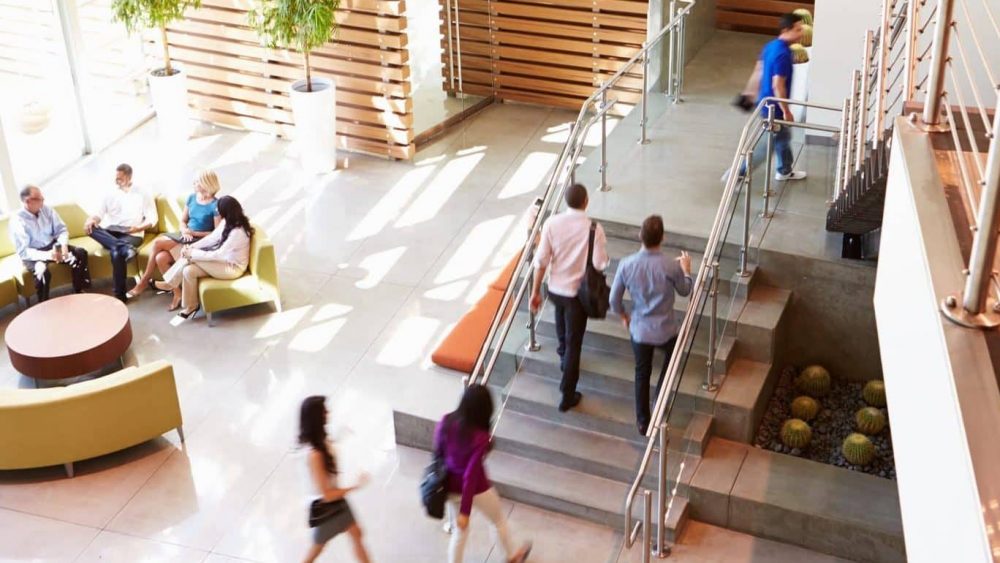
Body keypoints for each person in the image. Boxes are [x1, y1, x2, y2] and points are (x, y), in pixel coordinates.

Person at [609, 215, 693, 435]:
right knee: (671, 360)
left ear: (640, 236)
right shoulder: (670, 266)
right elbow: (685, 291)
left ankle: (643, 422)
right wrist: (686, 270)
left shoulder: (626, 265)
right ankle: (660, 398)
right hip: (666, 330)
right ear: (662, 238)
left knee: (641, 373)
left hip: (640, 330)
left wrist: (623, 316)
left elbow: (613, 300)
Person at [529, 184, 609, 412]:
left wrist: (535, 291)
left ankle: (563, 354)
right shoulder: (595, 228)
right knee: (575, 341)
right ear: (586, 202)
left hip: (556, 289)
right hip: (578, 294)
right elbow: (600, 264)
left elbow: (541, 261)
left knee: (561, 320)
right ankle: (567, 393)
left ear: (566, 201)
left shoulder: (551, 224)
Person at [434, 385, 531, 563]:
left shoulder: (445, 421)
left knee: (459, 531)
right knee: (498, 520)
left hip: (449, 486)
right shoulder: (480, 438)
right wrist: (465, 510)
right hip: (477, 489)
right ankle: (510, 558)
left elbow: (438, 454)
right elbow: (470, 475)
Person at [724, 13, 807, 183]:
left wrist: (749, 93)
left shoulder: (771, 46)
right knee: (766, 144)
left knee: (783, 137)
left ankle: (784, 170)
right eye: (798, 30)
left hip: (764, 102)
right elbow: (778, 85)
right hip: (774, 108)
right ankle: (738, 174)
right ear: (786, 30)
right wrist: (786, 111)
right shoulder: (783, 54)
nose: (801, 34)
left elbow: (758, 70)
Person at [127, 170, 221, 303]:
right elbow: (182, 221)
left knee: (157, 244)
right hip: (184, 235)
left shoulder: (215, 205)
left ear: (206, 183)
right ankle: (177, 293)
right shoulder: (192, 198)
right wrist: (184, 230)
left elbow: (216, 234)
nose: (194, 183)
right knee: (161, 258)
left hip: (199, 240)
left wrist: (193, 233)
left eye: (197, 181)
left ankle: (143, 282)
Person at [298, 396, 371, 563]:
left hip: (336, 504)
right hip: (326, 509)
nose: (328, 412)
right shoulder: (314, 454)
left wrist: (340, 436)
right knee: (317, 548)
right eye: (324, 410)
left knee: (356, 533)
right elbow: (327, 494)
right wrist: (355, 486)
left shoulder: (319, 440)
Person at [155, 195, 252, 319]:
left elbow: (219, 254)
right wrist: (192, 247)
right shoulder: (227, 222)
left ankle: (170, 283)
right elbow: (212, 238)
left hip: (232, 268)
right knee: (188, 271)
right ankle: (191, 306)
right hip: (222, 262)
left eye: (219, 211)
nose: (217, 213)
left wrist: (192, 254)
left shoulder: (238, 231)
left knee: (190, 258)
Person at [85, 163, 158, 302]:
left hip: (133, 233)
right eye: (116, 177)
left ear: (129, 176)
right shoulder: (109, 193)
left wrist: (139, 228)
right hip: (112, 231)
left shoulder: (142, 192)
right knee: (90, 228)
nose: (116, 181)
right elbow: (98, 213)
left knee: (116, 253)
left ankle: (119, 295)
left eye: (120, 178)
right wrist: (92, 219)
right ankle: (124, 247)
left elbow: (152, 217)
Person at [9, 185, 91, 302]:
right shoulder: (17, 221)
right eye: (40, 199)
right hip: (33, 254)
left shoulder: (47, 210)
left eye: (43, 198)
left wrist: (63, 245)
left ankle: (79, 290)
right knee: (42, 271)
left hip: (52, 246)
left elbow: (61, 230)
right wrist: (49, 255)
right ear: (28, 201)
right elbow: (24, 251)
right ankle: (44, 304)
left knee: (80, 253)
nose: (43, 202)